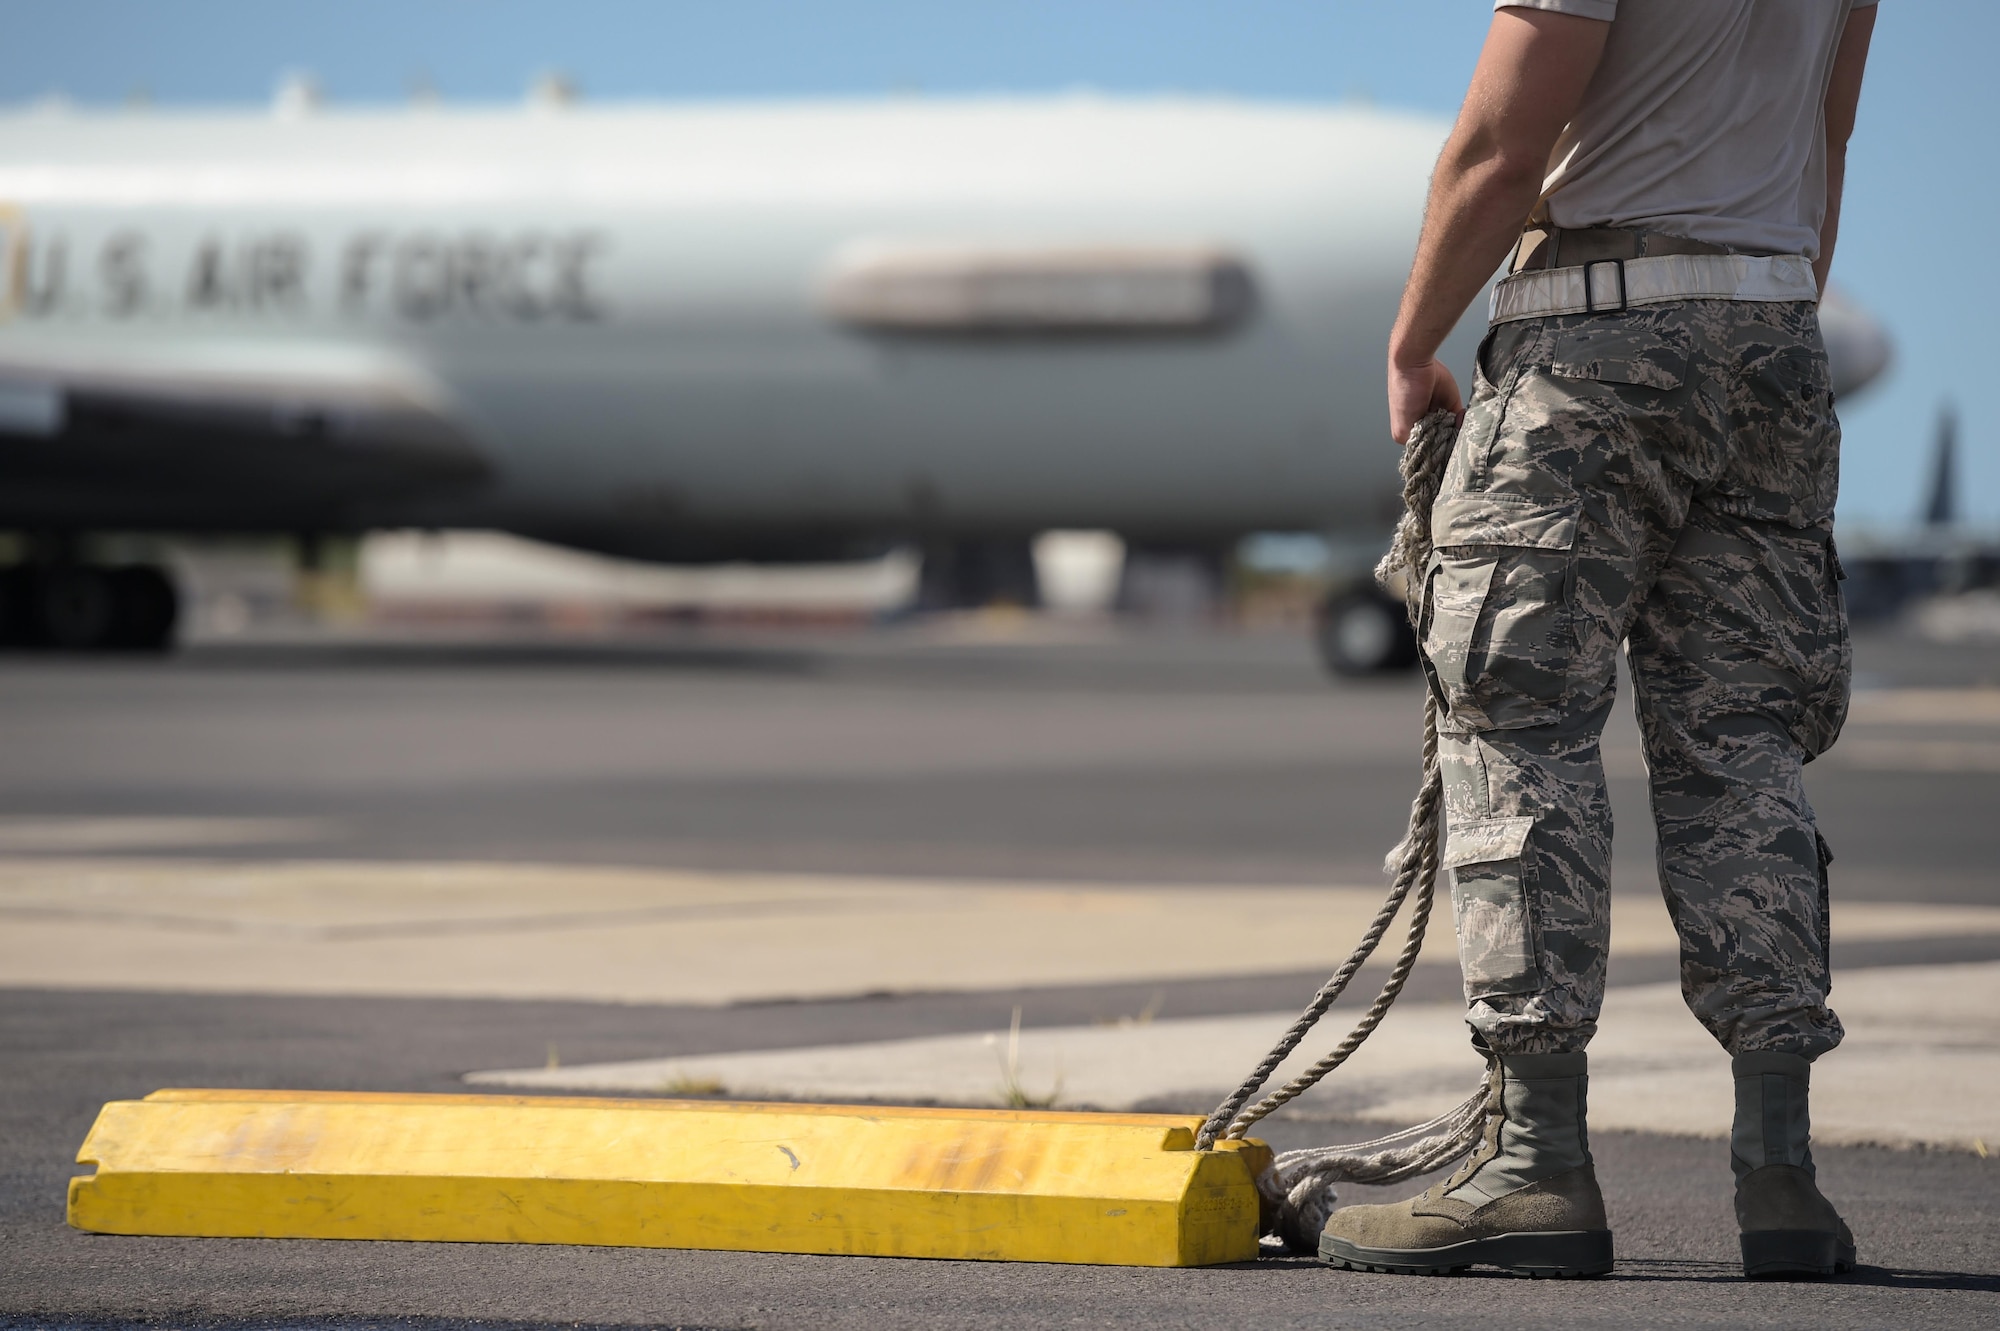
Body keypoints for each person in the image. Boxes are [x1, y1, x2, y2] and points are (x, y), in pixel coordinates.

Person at [1316, 0, 1877, 1281]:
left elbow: (1500, 146)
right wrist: (1761, 319)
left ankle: (1535, 1163)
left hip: (1592, 333)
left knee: (1518, 724)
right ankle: (1779, 1174)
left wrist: (1413, 346)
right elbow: (1822, 137)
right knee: (1742, 746)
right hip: (1773, 332)